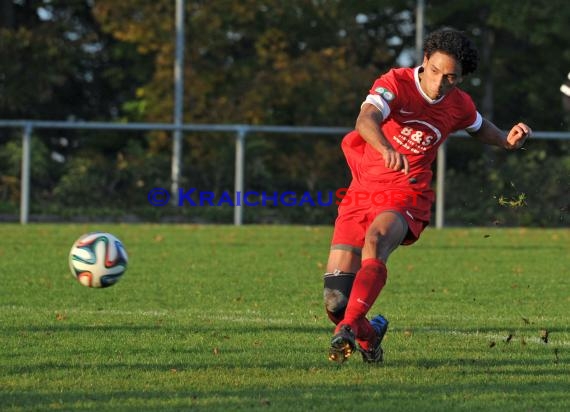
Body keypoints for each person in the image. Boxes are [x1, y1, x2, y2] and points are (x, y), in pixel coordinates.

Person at [323, 28, 532, 363]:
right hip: (361, 192)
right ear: (424, 61)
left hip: (407, 193)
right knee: (336, 303)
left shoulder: (458, 104)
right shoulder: (394, 83)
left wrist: (506, 141)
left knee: (376, 241)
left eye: (450, 78)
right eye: (435, 72)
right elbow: (366, 120)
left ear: (460, 78)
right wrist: (385, 147)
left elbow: (481, 128)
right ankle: (367, 333)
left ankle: (346, 330)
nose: (439, 84)